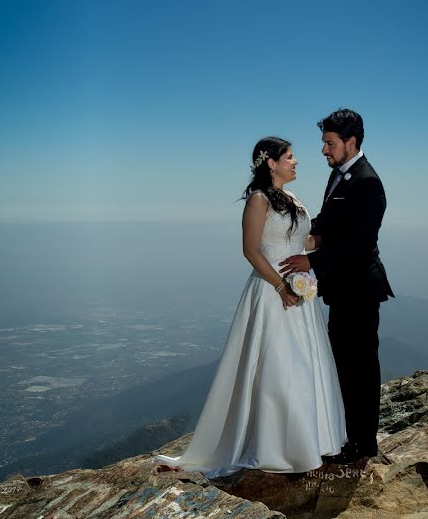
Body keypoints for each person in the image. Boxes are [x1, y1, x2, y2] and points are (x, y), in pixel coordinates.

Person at [154, 136, 346, 477]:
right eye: (289, 157)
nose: (296, 161)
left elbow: (305, 241)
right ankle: (271, 444)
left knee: (301, 365)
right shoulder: (258, 200)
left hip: (298, 294)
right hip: (272, 292)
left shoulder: (291, 199)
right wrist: (281, 286)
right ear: (271, 163)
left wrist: (340, 234)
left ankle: (305, 440)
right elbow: (251, 251)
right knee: (275, 368)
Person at [280, 109, 393, 463]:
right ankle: (347, 437)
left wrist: (311, 262)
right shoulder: (340, 177)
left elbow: (359, 244)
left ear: (351, 142)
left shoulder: (367, 182)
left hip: (360, 289)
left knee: (360, 366)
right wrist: (292, 238)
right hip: (342, 289)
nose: (324, 151)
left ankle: (363, 444)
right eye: (324, 143)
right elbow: (327, 226)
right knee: (343, 363)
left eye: (329, 143)